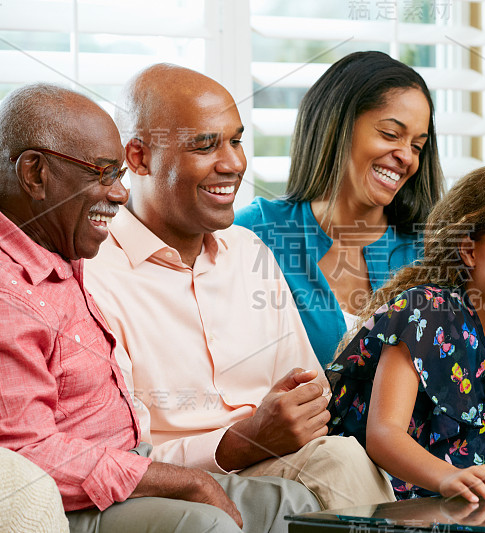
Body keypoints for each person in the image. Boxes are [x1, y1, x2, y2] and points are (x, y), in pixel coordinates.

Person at [0, 83, 317, 533]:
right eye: (103, 174)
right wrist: (185, 482)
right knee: (210, 526)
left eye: (118, 176)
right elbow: (26, 455)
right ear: (35, 174)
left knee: (299, 505)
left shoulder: (65, 254)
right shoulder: (13, 294)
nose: (120, 194)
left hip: (131, 467)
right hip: (77, 499)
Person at [84, 64, 395, 510]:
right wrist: (237, 443)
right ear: (138, 158)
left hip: (285, 463)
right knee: (341, 464)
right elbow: (120, 456)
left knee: (347, 456)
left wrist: (296, 418)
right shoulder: (93, 274)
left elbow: (311, 393)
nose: (233, 164)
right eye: (205, 145)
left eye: (235, 140)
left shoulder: (249, 250)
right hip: (171, 487)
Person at [327, 164, 485, 501]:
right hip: (395, 504)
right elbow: (384, 434)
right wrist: (450, 479)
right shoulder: (424, 312)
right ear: (470, 250)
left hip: (475, 508)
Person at [235, 51, 445, 365]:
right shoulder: (253, 232)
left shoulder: (430, 252)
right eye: (390, 134)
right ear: (337, 125)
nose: (407, 157)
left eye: (417, 146)